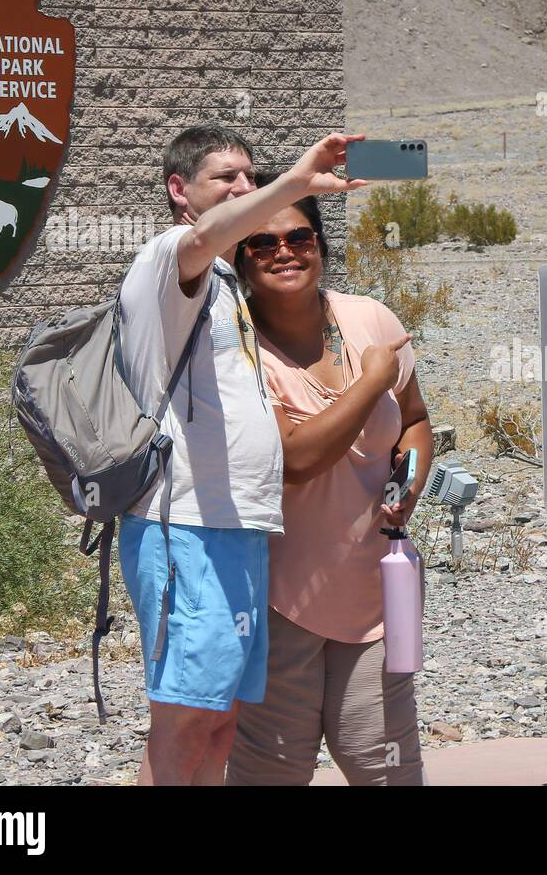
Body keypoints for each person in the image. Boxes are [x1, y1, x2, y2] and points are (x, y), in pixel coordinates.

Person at [117, 128, 366, 785]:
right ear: (179, 191)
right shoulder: (171, 256)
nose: (242, 189)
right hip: (186, 528)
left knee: (219, 718)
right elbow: (203, 237)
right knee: (182, 719)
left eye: (250, 177)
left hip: (235, 530)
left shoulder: (224, 279)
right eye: (225, 178)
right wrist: (296, 184)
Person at [224, 174, 433, 786]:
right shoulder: (233, 347)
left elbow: (416, 421)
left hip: (377, 590)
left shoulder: (369, 319)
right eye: (260, 242)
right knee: (271, 773)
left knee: (386, 768)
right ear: (238, 255)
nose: (283, 251)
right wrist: (370, 382)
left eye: (299, 236)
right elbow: (295, 460)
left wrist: (409, 486)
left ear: (319, 243)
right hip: (276, 599)